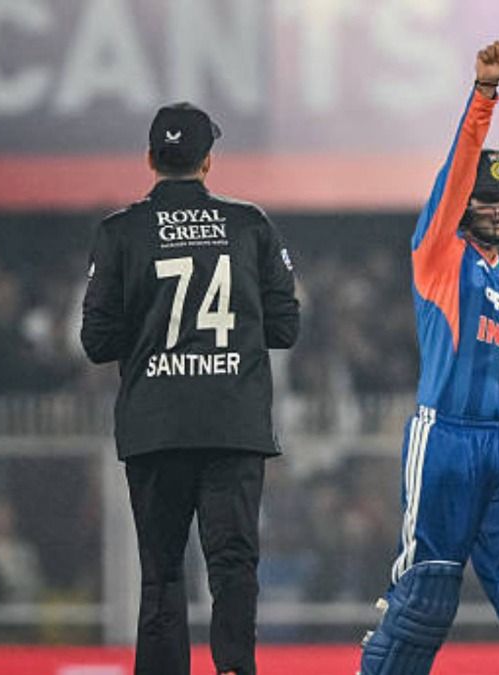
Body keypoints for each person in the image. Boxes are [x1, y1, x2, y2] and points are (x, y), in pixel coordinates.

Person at [357, 24, 499, 675]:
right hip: (447, 441)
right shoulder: (437, 255)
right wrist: (484, 94)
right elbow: (456, 175)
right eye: (486, 198)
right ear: (464, 205)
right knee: (425, 600)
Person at [81, 102, 300, 675]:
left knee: (162, 570)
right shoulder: (251, 225)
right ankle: (234, 670)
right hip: (233, 420)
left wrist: (151, 333)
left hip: (156, 424)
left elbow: (97, 341)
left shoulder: (120, 231)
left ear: (151, 159)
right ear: (208, 162)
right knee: (233, 564)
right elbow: (285, 327)